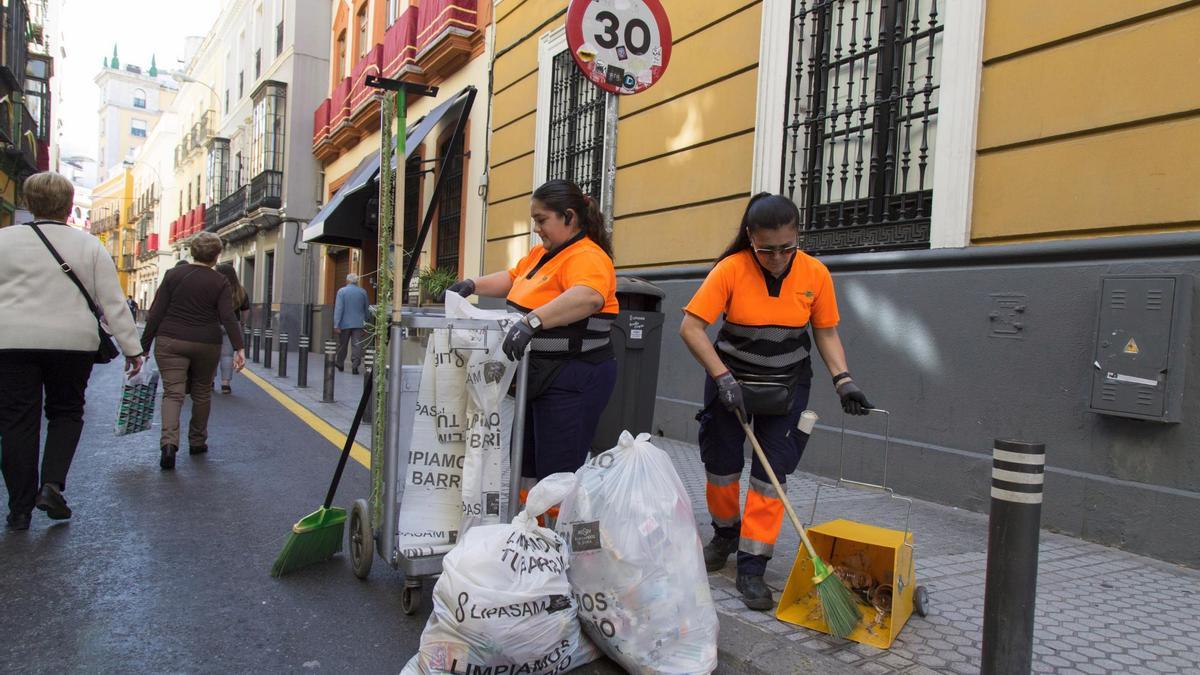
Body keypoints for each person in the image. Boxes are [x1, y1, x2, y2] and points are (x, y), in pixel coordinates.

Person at [679, 193, 872, 611]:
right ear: (751, 238)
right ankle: (725, 534)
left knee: (771, 478)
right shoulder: (730, 270)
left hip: (786, 387)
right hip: (731, 383)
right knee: (721, 468)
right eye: (767, 249)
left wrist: (844, 381)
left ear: (797, 236)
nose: (778, 257)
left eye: (788, 247)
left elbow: (825, 331)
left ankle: (753, 567)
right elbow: (691, 327)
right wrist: (722, 377)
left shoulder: (815, 273)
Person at [446, 179, 618, 502]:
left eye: (542, 220)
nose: (537, 228)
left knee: (556, 472)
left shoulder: (587, 256)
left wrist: (532, 321)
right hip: (537, 376)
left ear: (568, 216)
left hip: (574, 377)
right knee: (525, 465)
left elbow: (589, 297)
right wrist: (472, 284)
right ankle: (529, 533)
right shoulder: (543, 254)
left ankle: (554, 543)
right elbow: (513, 278)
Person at [0, 172, 144, 531]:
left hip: (11, 342)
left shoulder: (3, 241)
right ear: (68, 206)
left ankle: (19, 509)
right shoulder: (89, 246)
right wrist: (132, 349)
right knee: (66, 412)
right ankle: (51, 485)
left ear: (30, 202)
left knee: (17, 421)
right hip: (72, 344)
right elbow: (113, 303)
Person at [141, 232, 245, 470]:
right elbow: (228, 317)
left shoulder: (172, 275)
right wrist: (239, 347)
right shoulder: (220, 282)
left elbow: (156, 312)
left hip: (170, 340)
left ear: (192, 251)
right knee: (201, 392)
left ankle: (168, 445)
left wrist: (143, 347)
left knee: (173, 393)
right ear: (217, 256)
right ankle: (197, 441)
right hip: (206, 343)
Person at [214, 262, 249, 394]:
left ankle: (210, 381)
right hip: (232, 326)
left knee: (212, 355)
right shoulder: (240, 290)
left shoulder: (214, 288)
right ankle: (225, 384)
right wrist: (242, 324)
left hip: (214, 325)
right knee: (227, 355)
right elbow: (245, 310)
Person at [333, 273, 370, 375]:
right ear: (356, 281)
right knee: (357, 345)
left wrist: (336, 324)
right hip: (358, 324)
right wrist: (367, 321)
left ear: (347, 281)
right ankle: (355, 367)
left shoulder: (342, 291)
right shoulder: (363, 292)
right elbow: (367, 308)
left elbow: (339, 309)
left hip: (344, 324)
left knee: (343, 344)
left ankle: (340, 363)